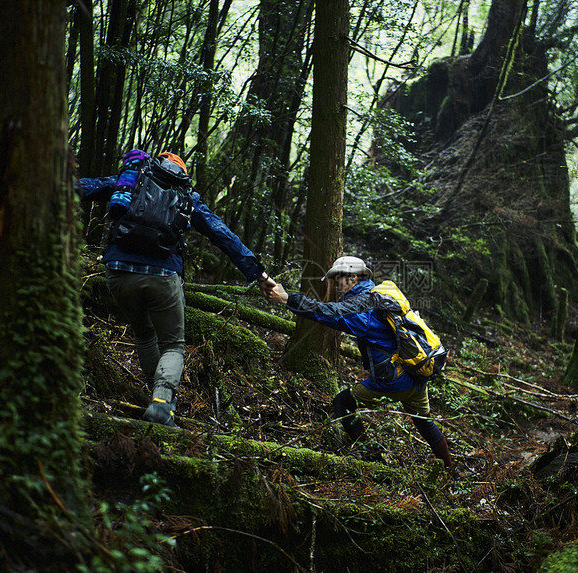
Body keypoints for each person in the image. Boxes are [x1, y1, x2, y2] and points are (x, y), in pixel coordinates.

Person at [77, 149, 276, 426]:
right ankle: (161, 401)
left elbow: (87, 187)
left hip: (118, 270)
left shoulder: (132, 177)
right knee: (172, 344)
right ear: (182, 173)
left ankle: (157, 396)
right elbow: (222, 234)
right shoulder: (187, 196)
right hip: (162, 274)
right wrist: (258, 273)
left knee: (144, 334)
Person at [267, 256, 454, 471]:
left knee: (342, 403)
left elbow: (327, 314)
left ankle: (374, 462)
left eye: (338, 279)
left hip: (395, 381)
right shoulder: (379, 296)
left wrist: (286, 298)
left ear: (353, 277)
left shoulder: (362, 310)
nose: (335, 285)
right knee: (424, 421)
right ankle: (451, 470)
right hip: (417, 375)